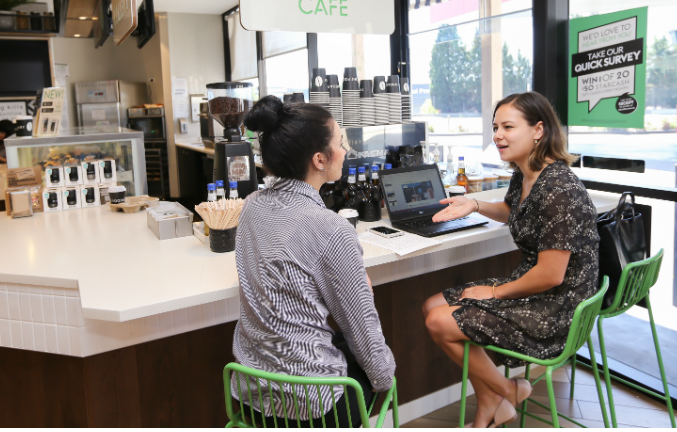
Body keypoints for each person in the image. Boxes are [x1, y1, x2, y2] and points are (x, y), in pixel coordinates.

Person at [422, 92, 600, 428]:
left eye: (508, 127)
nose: (498, 135)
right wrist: (475, 204)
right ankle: (494, 398)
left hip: (556, 307)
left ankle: (507, 391)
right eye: (495, 127)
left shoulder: (559, 189)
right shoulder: (526, 172)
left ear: (538, 130)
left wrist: (493, 293)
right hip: (535, 289)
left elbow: (551, 275)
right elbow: (513, 211)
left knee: (439, 322)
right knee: (431, 306)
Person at [232, 95, 395, 427]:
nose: (346, 150)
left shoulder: (251, 205)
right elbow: (362, 329)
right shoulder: (332, 229)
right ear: (320, 160)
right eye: (340, 143)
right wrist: (386, 380)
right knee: (377, 363)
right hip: (312, 409)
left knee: (336, 343)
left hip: (248, 395)